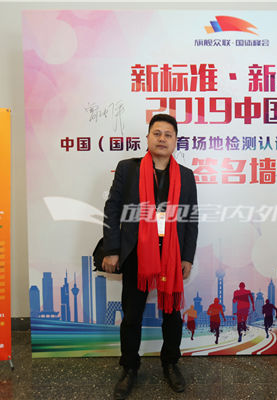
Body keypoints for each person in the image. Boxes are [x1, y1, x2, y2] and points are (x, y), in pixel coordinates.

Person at [101, 114, 198, 399]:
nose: (162, 139)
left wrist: (187, 257)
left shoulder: (186, 176)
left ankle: (170, 363)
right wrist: (112, 249)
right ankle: (129, 367)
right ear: (147, 137)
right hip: (136, 252)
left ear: (175, 141)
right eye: (157, 133)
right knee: (132, 315)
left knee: (172, 314)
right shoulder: (128, 169)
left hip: (171, 253)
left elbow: (191, 219)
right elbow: (112, 209)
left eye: (168, 134)